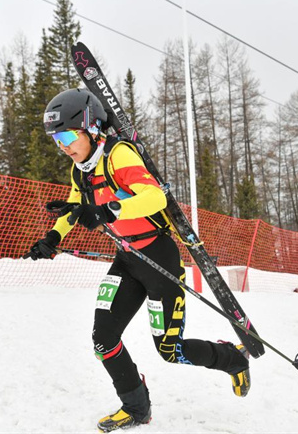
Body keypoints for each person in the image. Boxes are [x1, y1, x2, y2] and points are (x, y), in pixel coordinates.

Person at [24, 89, 250, 432]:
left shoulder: (119, 155)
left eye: (69, 136)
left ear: (92, 128)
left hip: (158, 257)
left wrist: (107, 210)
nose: (64, 146)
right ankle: (137, 407)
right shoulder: (80, 171)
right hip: (127, 259)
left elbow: (153, 197)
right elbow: (75, 206)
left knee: (171, 350)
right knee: (104, 338)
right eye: (58, 140)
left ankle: (232, 358)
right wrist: (53, 237)